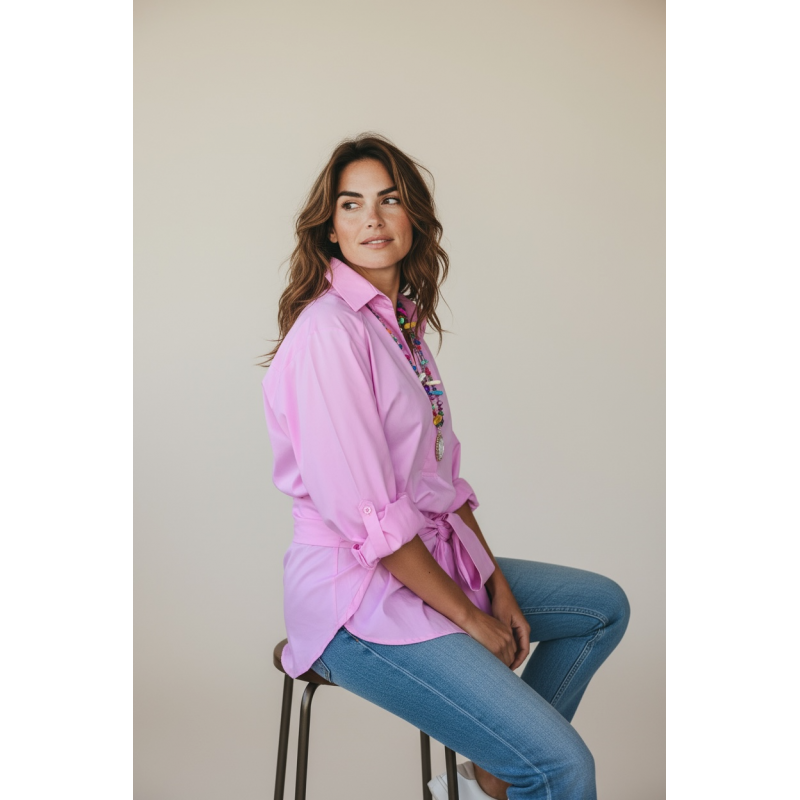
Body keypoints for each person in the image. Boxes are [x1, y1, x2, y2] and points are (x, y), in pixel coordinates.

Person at [261, 133, 629, 800]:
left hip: (427, 561)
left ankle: (496, 772)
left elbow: (443, 486)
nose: (372, 218)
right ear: (330, 228)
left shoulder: (400, 327)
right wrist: (471, 617)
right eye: (351, 204)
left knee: (600, 607)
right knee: (562, 767)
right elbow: (372, 518)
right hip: (357, 598)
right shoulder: (329, 333)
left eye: (389, 200)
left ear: (414, 217)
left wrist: (495, 585)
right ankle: (528, 769)